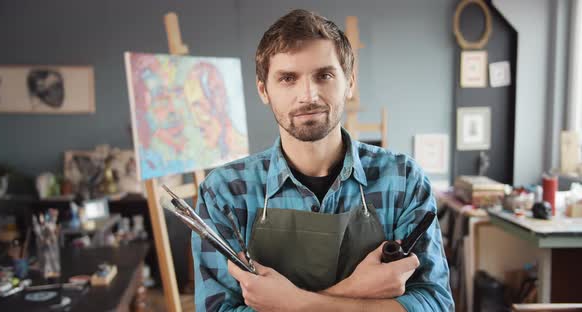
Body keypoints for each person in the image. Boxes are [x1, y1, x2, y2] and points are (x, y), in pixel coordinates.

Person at [192, 9, 454, 312]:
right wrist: (358, 291)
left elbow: (435, 303)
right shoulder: (225, 192)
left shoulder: (403, 179)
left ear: (350, 82)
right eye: (288, 78)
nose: (309, 95)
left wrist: (293, 303)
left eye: (324, 75)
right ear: (264, 90)